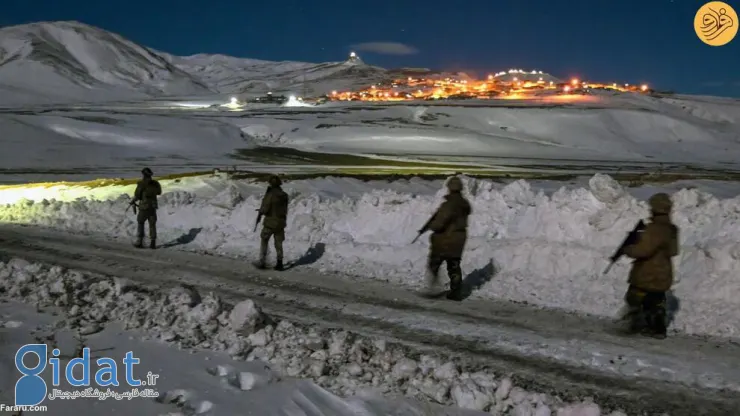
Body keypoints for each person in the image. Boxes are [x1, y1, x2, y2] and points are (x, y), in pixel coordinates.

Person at [621, 192, 679, 339]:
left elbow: (642, 251)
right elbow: (673, 251)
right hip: (664, 271)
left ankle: (638, 324)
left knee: (634, 297)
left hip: (647, 272)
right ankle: (658, 329)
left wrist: (628, 249)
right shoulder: (672, 229)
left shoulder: (654, 228)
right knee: (656, 300)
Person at [422, 176, 472, 301]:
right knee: (454, 265)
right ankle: (456, 292)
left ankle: (434, 288)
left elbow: (439, 223)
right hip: (459, 239)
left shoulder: (449, 204)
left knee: (434, 264)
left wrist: (431, 227)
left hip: (446, 239)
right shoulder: (464, 204)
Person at [256, 175, 289, 270]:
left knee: (264, 239)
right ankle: (279, 263)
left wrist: (261, 212)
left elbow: (265, 208)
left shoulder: (270, 194)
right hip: (281, 222)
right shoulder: (284, 195)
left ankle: (262, 260)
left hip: (270, 222)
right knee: (278, 243)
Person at [131, 167, 162, 249]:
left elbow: (137, 195)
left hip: (144, 207)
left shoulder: (141, 184)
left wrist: (132, 201)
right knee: (152, 224)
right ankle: (153, 243)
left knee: (140, 222)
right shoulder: (155, 184)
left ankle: (140, 242)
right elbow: (159, 192)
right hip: (153, 206)